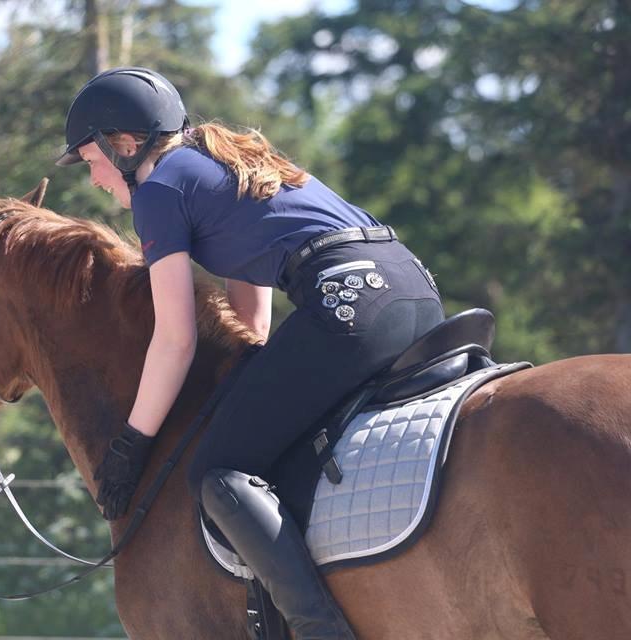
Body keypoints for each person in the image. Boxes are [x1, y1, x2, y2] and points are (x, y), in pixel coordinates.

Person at [56, 67, 444, 640]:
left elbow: (176, 338)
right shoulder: (224, 162)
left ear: (126, 145)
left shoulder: (160, 190)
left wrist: (132, 441)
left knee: (219, 469)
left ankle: (317, 629)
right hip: (413, 287)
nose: (92, 178)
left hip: (349, 303)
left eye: (91, 160)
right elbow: (254, 323)